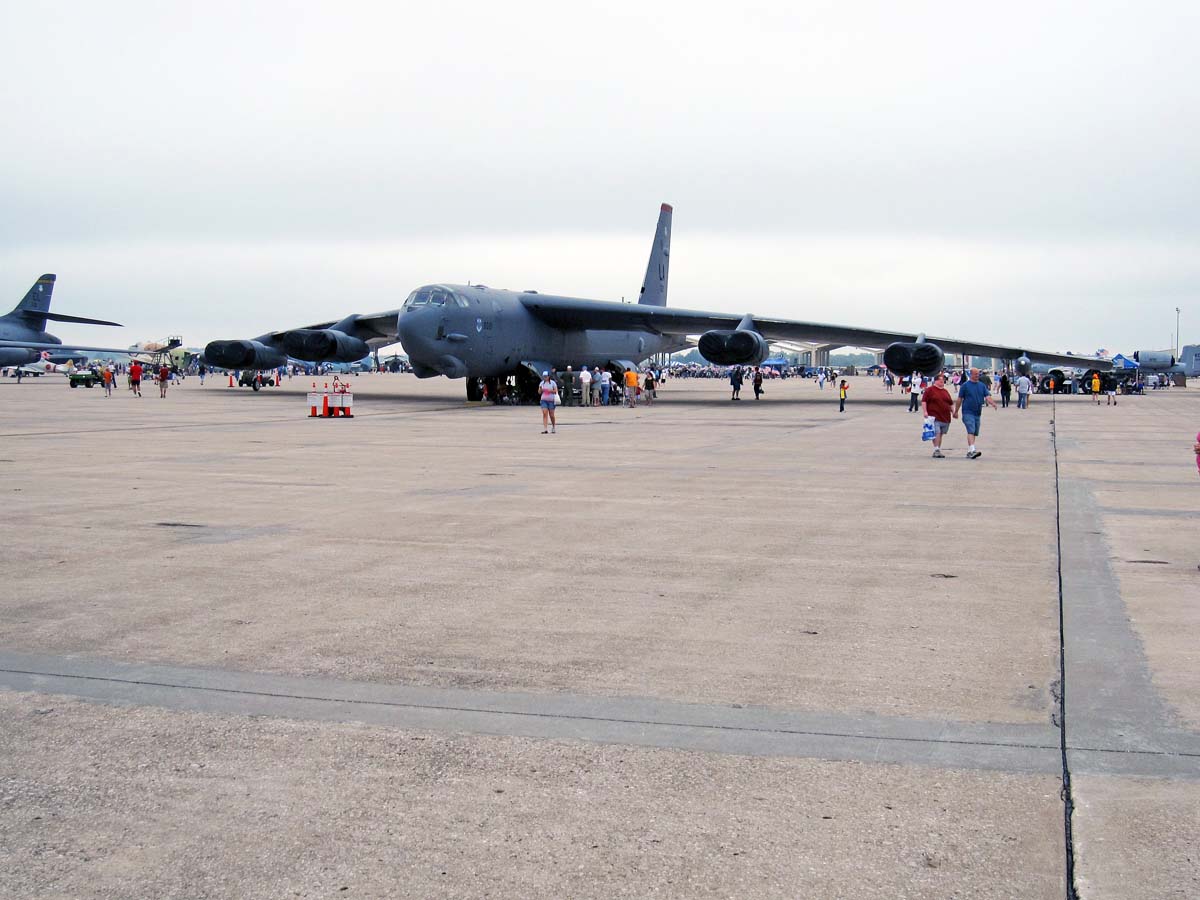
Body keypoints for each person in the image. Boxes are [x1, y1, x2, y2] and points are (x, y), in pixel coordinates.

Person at [953, 367, 997, 458]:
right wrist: (956, 411)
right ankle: (973, 450)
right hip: (967, 412)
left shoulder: (981, 385)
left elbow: (987, 396)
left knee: (974, 432)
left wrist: (992, 403)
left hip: (977, 412)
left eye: (978, 374)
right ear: (971, 374)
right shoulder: (965, 386)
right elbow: (959, 399)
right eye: (976, 374)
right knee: (971, 430)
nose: (977, 376)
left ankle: (970, 451)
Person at [921, 372, 954, 458]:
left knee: (941, 434)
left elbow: (950, 403)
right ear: (935, 381)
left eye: (943, 380)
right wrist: (925, 412)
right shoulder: (929, 390)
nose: (942, 382)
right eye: (940, 380)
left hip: (945, 417)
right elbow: (924, 401)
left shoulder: (945, 391)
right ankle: (936, 450)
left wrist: (953, 412)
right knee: (937, 433)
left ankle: (938, 449)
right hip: (934, 416)